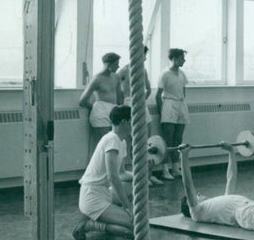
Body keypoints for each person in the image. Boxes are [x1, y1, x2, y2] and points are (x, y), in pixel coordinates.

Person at [72, 105, 134, 240]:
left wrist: (142, 177)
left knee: (133, 186)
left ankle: (98, 216)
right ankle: (90, 225)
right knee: (136, 228)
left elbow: (122, 174)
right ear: (125, 122)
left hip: (104, 192)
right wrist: (127, 207)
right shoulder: (112, 139)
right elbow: (113, 177)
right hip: (92, 196)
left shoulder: (121, 141)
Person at [119, 45, 160, 186]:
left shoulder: (143, 70)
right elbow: (119, 93)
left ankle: (149, 174)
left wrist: (142, 99)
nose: (145, 58)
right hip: (129, 104)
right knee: (133, 142)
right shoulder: (123, 71)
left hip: (142, 105)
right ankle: (136, 175)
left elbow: (148, 89)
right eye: (143, 55)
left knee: (148, 141)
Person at [78, 51, 123, 160]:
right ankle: (101, 175)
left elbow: (119, 96)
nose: (118, 66)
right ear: (109, 64)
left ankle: (113, 173)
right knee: (103, 146)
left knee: (115, 144)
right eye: (116, 64)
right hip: (100, 112)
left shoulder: (116, 77)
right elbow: (82, 101)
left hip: (114, 111)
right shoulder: (97, 79)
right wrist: (93, 107)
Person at [158, 48, 190, 180]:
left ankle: (175, 168)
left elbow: (183, 92)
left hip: (181, 105)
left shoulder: (182, 74)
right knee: (168, 140)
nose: (184, 60)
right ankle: (165, 170)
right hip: (169, 105)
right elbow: (157, 95)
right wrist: (162, 113)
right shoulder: (165, 74)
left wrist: (181, 104)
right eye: (182, 58)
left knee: (178, 139)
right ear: (175, 58)